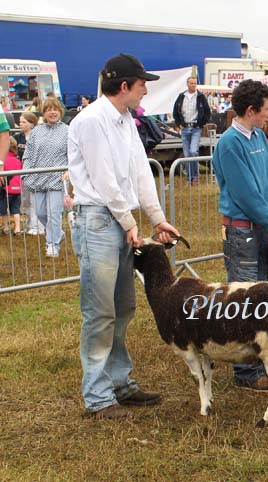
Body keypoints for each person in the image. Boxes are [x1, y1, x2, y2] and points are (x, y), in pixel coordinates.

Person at [68, 53, 180, 419]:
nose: (146, 90)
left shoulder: (125, 120)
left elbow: (139, 173)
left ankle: (119, 382)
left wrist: (157, 218)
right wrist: (130, 222)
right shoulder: (91, 121)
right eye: (142, 84)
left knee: (123, 307)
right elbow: (103, 180)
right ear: (124, 86)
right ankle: (98, 396)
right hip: (98, 220)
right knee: (99, 312)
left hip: (116, 219)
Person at [212, 79, 268, 391]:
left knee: (260, 296)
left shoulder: (258, 137)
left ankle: (258, 360)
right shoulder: (230, 144)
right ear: (251, 110)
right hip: (243, 233)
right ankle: (244, 372)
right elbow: (246, 193)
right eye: (267, 110)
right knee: (245, 300)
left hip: (260, 229)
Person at [21, 97, 69, 258]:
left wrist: (69, 171)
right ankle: (58, 233)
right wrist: (25, 172)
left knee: (54, 212)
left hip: (57, 178)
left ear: (60, 111)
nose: (52, 112)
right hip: (36, 177)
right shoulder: (36, 131)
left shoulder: (67, 131)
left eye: (55, 109)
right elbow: (28, 153)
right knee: (41, 212)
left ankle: (52, 244)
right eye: (49, 109)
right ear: (44, 112)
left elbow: (74, 154)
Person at [173, 77, 211, 185]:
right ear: (187, 84)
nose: (193, 85)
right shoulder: (181, 97)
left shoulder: (200, 97)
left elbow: (207, 112)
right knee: (187, 154)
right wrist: (178, 123)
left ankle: (195, 176)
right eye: (191, 83)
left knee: (194, 151)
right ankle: (189, 179)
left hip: (196, 128)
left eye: (195, 83)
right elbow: (175, 111)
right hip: (185, 128)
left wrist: (201, 123)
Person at [13, 112, 43, 234]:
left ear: (32, 123)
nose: (21, 124)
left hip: (35, 172)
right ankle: (29, 223)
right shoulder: (17, 137)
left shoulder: (38, 137)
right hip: (22, 172)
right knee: (25, 200)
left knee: (35, 199)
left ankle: (38, 225)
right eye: (20, 122)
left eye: (24, 122)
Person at [0, 137, 23, 234]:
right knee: (16, 210)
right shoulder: (17, 160)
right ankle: (17, 228)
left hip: (5, 189)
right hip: (17, 190)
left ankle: (6, 228)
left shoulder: (3, 160)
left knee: (3, 210)